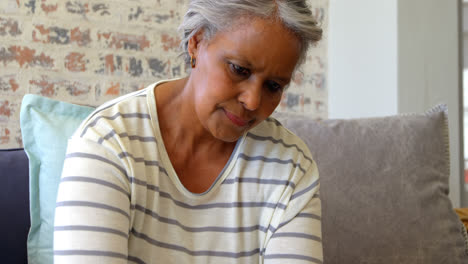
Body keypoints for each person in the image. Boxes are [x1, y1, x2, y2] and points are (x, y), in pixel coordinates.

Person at [53, 0, 323, 263]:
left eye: (273, 86)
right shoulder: (108, 143)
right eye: (239, 70)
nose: (252, 101)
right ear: (196, 42)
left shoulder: (291, 165)